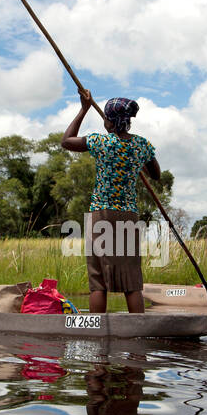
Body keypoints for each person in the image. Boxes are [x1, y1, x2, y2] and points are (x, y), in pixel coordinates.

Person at [62, 88, 160, 313]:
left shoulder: (101, 143)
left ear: (110, 122)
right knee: (131, 282)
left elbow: (66, 141)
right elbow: (155, 175)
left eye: (106, 117)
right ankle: (138, 336)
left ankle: (97, 338)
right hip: (128, 216)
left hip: (102, 214)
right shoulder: (141, 145)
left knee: (99, 282)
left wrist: (84, 109)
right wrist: (136, 162)